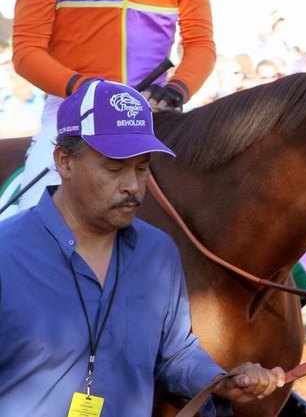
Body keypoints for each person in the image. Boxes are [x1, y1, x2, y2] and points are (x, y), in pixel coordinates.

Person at [0, 80, 286, 416]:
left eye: (142, 167)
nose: (133, 186)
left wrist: (220, 381)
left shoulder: (158, 252)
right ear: (64, 162)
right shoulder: (7, 253)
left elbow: (175, 353)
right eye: (114, 169)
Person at [12, 0, 216, 210]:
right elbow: (26, 52)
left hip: (153, 109)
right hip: (74, 107)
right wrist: (90, 91)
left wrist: (176, 90)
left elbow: (201, 44)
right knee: (35, 213)